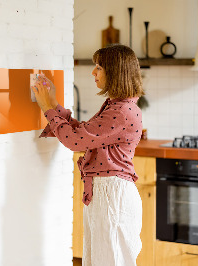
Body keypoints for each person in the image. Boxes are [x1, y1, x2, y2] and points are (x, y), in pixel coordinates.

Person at [32, 44, 144, 266]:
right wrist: (53, 103)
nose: (93, 72)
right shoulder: (117, 106)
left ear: (115, 72)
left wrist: (47, 108)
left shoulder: (121, 111)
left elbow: (75, 141)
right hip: (107, 193)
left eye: (99, 67)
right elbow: (83, 133)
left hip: (112, 195)